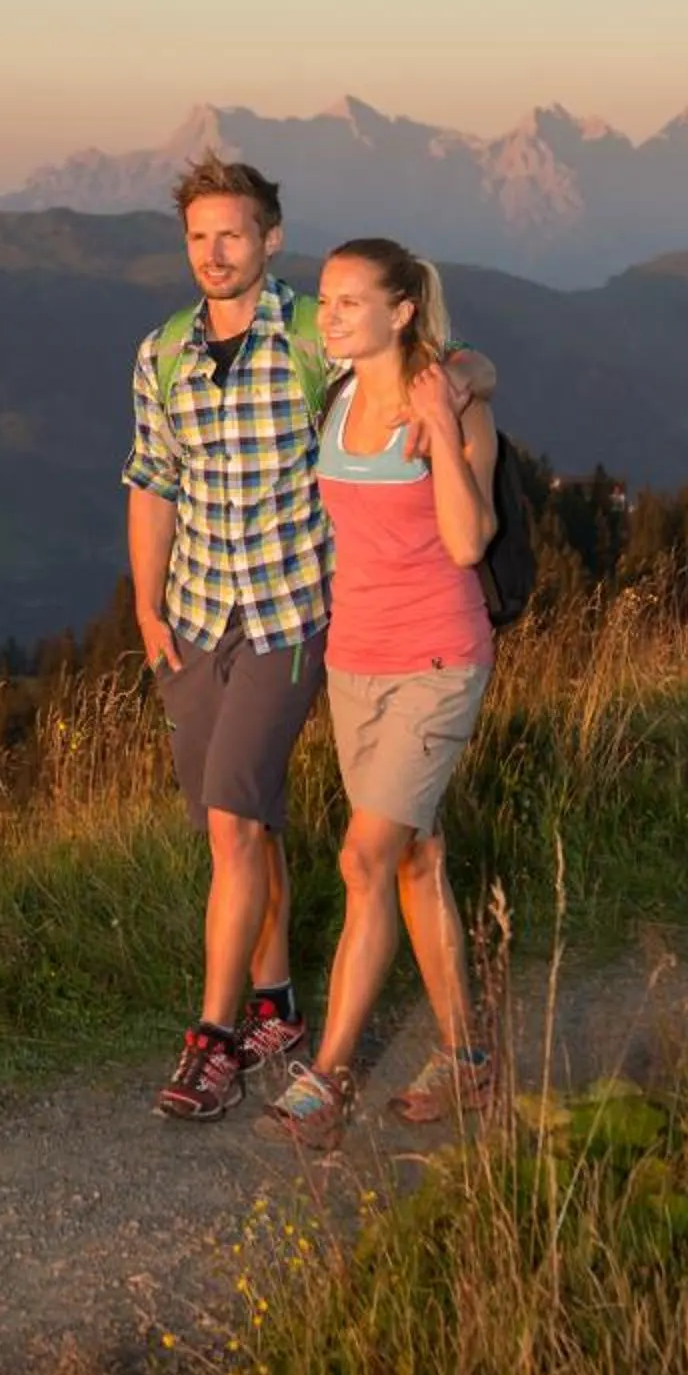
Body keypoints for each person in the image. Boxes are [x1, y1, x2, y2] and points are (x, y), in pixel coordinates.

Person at [122, 162, 490, 1123]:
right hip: (206, 618)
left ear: (270, 239)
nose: (214, 254)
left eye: (233, 234)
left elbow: (436, 355)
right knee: (260, 826)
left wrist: (461, 384)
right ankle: (288, 1007)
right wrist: (148, 609)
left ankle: (230, 1043)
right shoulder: (163, 352)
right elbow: (152, 479)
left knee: (257, 828)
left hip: (294, 620)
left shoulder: (313, 335)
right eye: (199, 237)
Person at [256, 237, 500, 1149]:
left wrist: (446, 412)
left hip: (437, 660)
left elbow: (469, 541)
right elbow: (480, 358)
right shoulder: (337, 390)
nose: (329, 317)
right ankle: (467, 1059)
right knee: (415, 859)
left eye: (350, 302)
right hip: (353, 662)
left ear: (401, 312)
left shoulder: (453, 406)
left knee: (363, 860)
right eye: (325, 300)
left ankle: (327, 1077)